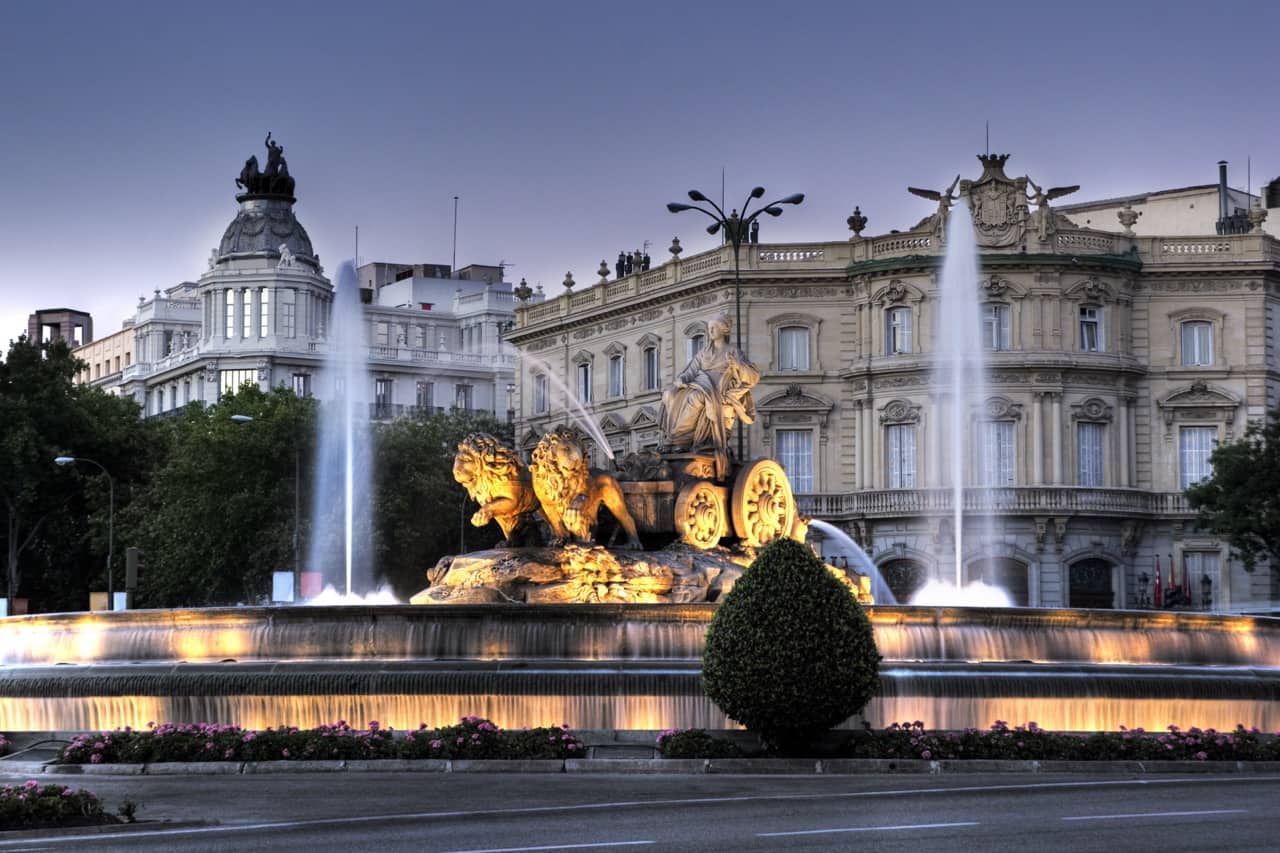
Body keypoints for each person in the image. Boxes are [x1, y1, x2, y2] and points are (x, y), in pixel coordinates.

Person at [658, 312, 760, 479]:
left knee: (696, 398)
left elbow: (752, 376)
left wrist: (738, 365)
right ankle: (671, 439)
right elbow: (691, 371)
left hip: (716, 389)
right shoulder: (704, 352)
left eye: (714, 327)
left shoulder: (733, 351)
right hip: (699, 383)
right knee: (669, 394)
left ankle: (679, 440)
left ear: (724, 329)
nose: (710, 331)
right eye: (709, 328)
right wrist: (682, 379)